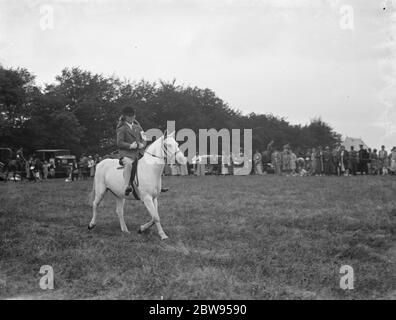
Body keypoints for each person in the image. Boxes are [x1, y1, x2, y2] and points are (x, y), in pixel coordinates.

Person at [117, 106, 147, 196]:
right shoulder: (121, 128)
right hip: (127, 154)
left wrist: (143, 144)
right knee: (129, 164)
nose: (132, 117)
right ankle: (126, 186)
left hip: (139, 153)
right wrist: (130, 146)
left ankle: (155, 185)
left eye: (133, 115)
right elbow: (119, 143)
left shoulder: (139, 127)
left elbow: (144, 138)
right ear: (125, 117)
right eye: (130, 116)